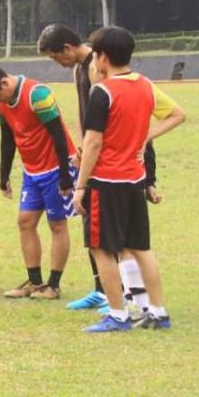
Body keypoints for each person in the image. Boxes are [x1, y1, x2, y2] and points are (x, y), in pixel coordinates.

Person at [38, 23, 161, 312]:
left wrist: (149, 174)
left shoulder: (100, 69)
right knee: (95, 233)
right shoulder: (79, 69)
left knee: (111, 240)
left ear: (68, 48)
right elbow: (87, 122)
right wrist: (80, 151)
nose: (58, 62)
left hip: (109, 168)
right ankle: (101, 290)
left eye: (57, 57)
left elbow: (124, 126)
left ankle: (120, 298)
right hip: (95, 161)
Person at [74, 27, 186, 332]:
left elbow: (93, 142)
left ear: (102, 57)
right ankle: (158, 312)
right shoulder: (146, 85)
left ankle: (118, 315)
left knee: (101, 248)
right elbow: (177, 114)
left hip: (105, 181)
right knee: (140, 248)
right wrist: (146, 136)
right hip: (134, 181)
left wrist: (81, 185)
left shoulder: (103, 92)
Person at [0, 65, 76, 300]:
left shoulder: (37, 94)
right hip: (31, 171)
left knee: (57, 225)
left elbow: (59, 135)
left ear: (4, 84)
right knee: (25, 222)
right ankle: (35, 281)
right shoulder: (0, 103)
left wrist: (64, 174)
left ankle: (53, 285)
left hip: (54, 168)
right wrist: (3, 175)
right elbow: (8, 139)